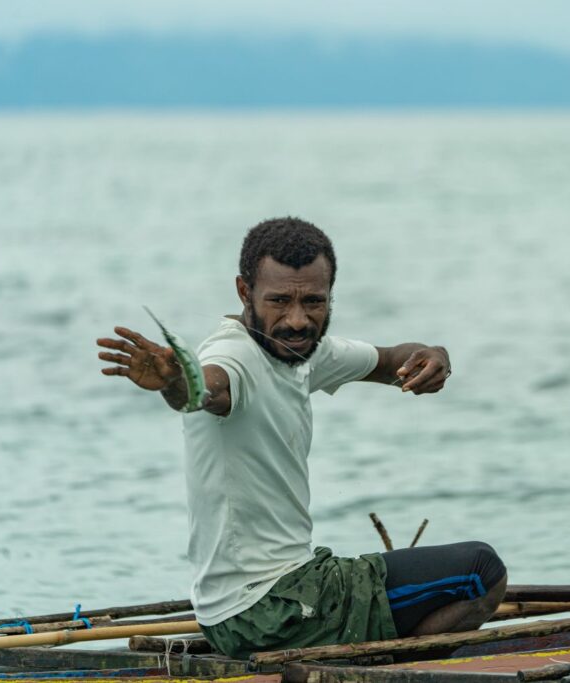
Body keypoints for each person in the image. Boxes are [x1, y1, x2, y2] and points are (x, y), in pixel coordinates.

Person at [96, 217, 507, 659]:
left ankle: (374, 659)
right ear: (243, 292)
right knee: (481, 572)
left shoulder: (303, 352)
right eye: (278, 301)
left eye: (313, 301)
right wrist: (175, 381)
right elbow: (205, 391)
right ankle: (388, 668)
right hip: (269, 610)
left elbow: (390, 360)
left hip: (252, 607)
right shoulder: (234, 355)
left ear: (330, 296)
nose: (296, 320)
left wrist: (435, 356)